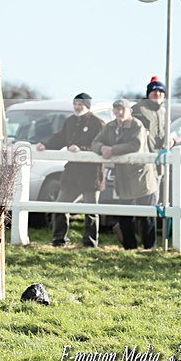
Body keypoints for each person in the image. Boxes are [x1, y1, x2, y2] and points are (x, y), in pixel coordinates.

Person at [36, 93, 105, 247]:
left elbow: (100, 145)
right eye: (75, 104)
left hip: (91, 174)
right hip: (72, 172)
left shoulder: (97, 123)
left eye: (80, 104)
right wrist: (45, 145)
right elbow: (59, 137)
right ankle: (59, 240)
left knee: (91, 211)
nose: (77, 107)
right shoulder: (70, 121)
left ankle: (90, 243)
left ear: (87, 105)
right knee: (60, 206)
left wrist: (81, 149)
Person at [92, 98, 158, 249]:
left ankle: (150, 248)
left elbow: (136, 145)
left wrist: (113, 150)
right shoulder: (109, 127)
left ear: (130, 111)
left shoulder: (137, 125)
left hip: (141, 175)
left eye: (122, 109)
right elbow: (95, 142)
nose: (119, 112)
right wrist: (102, 148)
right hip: (122, 176)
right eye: (116, 109)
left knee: (146, 216)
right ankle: (130, 247)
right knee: (124, 215)